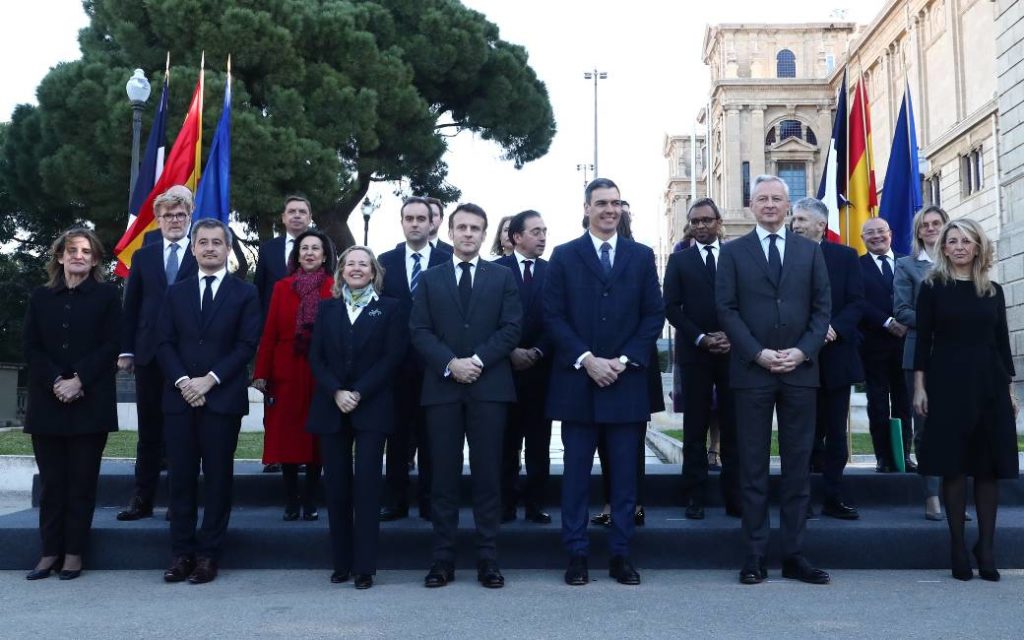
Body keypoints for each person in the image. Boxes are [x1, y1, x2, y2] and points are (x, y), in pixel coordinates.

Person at [545, 178, 664, 587]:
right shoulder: (563, 256)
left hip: (626, 383)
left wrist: (624, 360)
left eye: (616, 203)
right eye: (601, 203)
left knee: (625, 480)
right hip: (578, 385)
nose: (610, 210)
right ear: (586, 208)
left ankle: (621, 555)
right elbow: (552, 316)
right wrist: (586, 359)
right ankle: (576, 554)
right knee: (576, 479)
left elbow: (653, 315)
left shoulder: (641, 255)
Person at [716, 174, 831, 586]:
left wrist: (801, 351)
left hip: (801, 372)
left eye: (777, 199)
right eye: (762, 198)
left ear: (788, 206)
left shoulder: (810, 251)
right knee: (752, 467)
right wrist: (758, 353)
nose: (769, 205)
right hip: (752, 373)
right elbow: (726, 310)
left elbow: (822, 311)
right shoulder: (732, 253)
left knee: (798, 468)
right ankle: (754, 555)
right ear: (751, 205)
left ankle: (795, 554)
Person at [409, 203, 522, 589]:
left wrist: (475, 361)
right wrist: (450, 363)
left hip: (489, 388)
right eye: (462, 227)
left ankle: (488, 558)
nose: (469, 233)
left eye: (476, 227)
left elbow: (511, 328)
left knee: (489, 475)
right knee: (443, 477)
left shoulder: (502, 276)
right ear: (450, 232)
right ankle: (442, 559)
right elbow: (419, 330)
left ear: (485, 232)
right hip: (442, 390)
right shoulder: (429, 278)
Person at [912, 218, 1019, 581]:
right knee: (954, 465)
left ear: (978, 247)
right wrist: (919, 387)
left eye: (967, 241)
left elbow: (1003, 344)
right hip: (946, 383)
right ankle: (958, 545)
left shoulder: (993, 290)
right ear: (943, 247)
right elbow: (922, 341)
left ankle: (985, 547)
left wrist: (1010, 390)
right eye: (952, 240)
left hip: (990, 384)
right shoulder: (932, 287)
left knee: (988, 468)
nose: (959, 246)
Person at [158, 219, 261, 585]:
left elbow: (246, 345)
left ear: (228, 248)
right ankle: (181, 553)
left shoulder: (245, 293)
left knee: (218, 480)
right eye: (203, 242)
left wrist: (210, 380)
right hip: (179, 398)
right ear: (193, 248)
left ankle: (208, 556)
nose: (210, 248)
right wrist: (185, 381)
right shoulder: (176, 292)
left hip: (222, 399)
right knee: (181, 480)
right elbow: (164, 342)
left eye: (218, 242)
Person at [23, 228, 121, 581]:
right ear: (60, 257)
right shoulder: (40, 297)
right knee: (52, 484)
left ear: (94, 259)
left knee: (81, 483)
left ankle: (74, 553)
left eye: (86, 251)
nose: (78, 255)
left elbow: (112, 345)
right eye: (71, 250)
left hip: (89, 402)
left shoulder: (108, 296)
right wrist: (56, 381)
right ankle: (49, 552)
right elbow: (32, 348)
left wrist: (79, 379)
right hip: (47, 403)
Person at [306, 246, 406, 589]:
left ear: (374, 271)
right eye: (351, 264)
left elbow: (392, 358)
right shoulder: (327, 309)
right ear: (341, 271)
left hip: (372, 406)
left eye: (364, 264)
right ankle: (341, 563)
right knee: (336, 488)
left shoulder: (390, 309)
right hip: (331, 407)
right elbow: (316, 357)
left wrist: (359, 392)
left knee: (366, 487)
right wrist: (336, 390)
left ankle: (365, 566)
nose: (357, 268)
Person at [116, 186, 198, 521]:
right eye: (168, 215)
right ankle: (142, 499)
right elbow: (131, 304)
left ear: (189, 216)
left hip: (187, 356)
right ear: (158, 219)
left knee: (184, 432)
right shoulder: (144, 255)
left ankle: (179, 501)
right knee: (149, 430)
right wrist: (126, 350)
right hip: (149, 354)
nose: (175, 220)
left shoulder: (201, 251)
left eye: (181, 214)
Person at [663, 197, 740, 520]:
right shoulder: (679, 261)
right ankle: (694, 494)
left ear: (718, 223)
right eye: (695, 221)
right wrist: (702, 338)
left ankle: (735, 495)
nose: (701, 226)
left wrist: (729, 336)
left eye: (707, 220)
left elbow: (749, 300)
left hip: (734, 352)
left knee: (734, 426)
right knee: (694, 427)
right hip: (695, 354)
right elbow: (671, 307)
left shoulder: (737, 256)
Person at [252, 230, 336, 521]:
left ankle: (310, 499)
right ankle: (291, 499)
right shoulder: (281, 287)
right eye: (305, 249)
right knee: (286, 435)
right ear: (297, 255)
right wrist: (261, 372)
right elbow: (270, 331)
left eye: (316, 248)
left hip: (320, 370)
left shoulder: (334, 286)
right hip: (286, 368)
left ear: (325, 255)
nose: (310, 253)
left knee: (316, 437)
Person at [790, 197, 864, 520]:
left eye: (802, 219)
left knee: (835, 433)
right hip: (799, 360)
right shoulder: (784, 257)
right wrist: (810, 334)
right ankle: (800, 500)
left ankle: (833, 496)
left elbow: (857, 303)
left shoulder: (846, 257)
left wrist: (832, 328)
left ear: (821, 225)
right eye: (794, 219)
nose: (795, 224)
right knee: (802, 434)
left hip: (835, 360)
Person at [377, 197, 451, 521]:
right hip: (396, 365)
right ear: (402, 222)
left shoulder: (448, 258)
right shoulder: (386, 260)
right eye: (410, 218)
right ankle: (395, 501)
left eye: (422, 218)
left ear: (432, 222)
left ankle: (429, 502)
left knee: (433, 437)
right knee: (396, 435)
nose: (416, 224)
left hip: (436, 364)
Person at [496, 210, 552, 524]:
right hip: (504, 371)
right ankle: (506, 503)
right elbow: (489, 319)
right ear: (517, 237)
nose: (543, 236)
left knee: (539, 443)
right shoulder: (495, 271)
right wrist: (510, 351)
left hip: (541, 371)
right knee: (506, 442)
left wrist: (539, 350)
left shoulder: (553, 271)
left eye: (544, 230)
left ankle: (535, 503)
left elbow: (558, 318)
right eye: (535, 231)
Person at [894, 206, 949, 520]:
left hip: (959, 356)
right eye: (924, 225)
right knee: (925, 426)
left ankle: (952, 493)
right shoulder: (907, 266)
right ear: (917, 231)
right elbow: (901, 311)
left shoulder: (961, 260)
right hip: (920, 356)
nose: (930, 228)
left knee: (955, 426)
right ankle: (931, 495)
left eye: (936, 223)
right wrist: (938, 321)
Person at [858, 218, 914, 477]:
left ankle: (904, 455)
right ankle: (883, 457)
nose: (877, 236)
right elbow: (857, 301)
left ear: (890, 234)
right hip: (874, 345)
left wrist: (903, 321)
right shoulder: (857, 267)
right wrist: (887, 321)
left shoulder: (907, 262)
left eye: (881, 231)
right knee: (878, 403)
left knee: (905, 402)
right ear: (862, 237)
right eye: (870, 233)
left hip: (907, 344)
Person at [255, 195, 314, 317]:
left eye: (302, 212)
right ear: (283, 218)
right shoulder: (268, 249)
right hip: (273, 323)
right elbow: (259, 290)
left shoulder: (323, 249)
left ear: (309, 219)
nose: (297, 215)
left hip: (311, 323)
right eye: (292, 211)